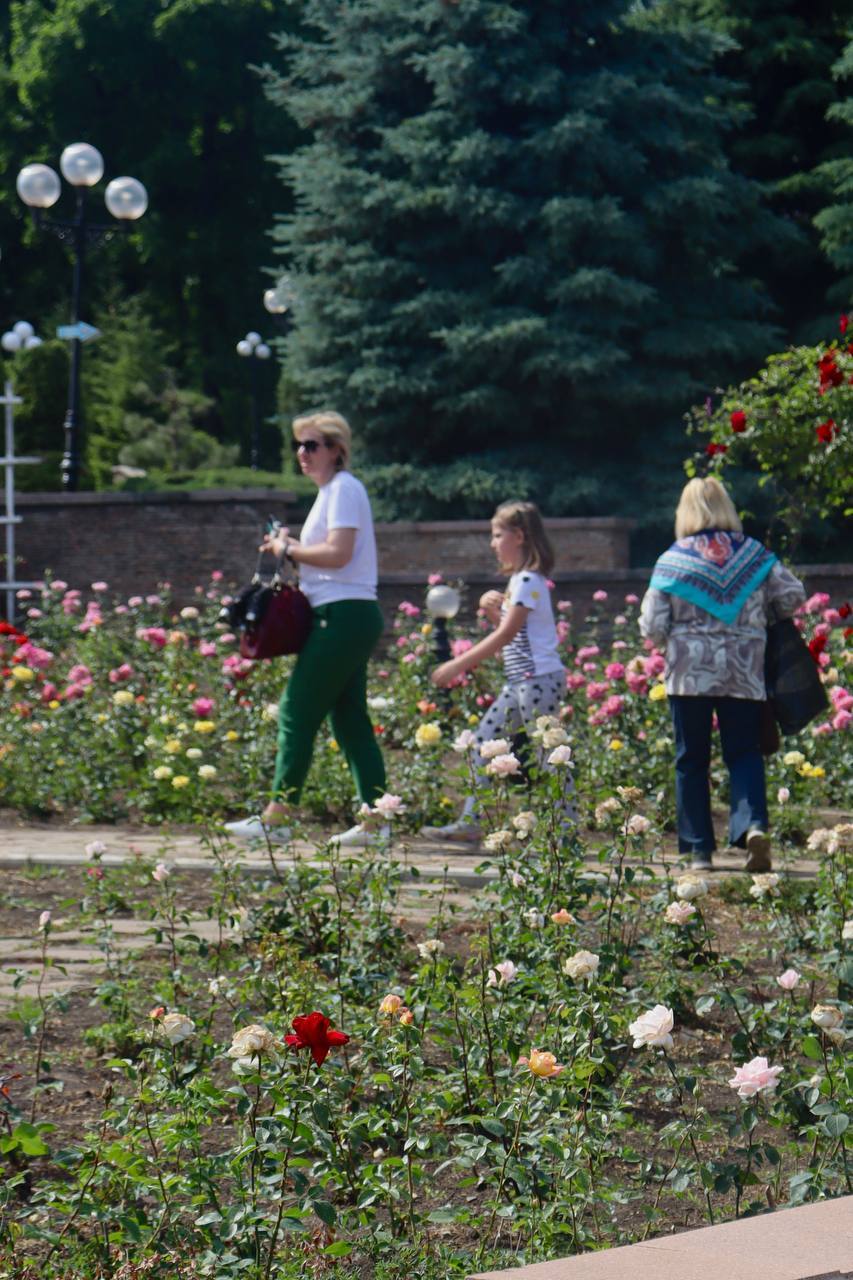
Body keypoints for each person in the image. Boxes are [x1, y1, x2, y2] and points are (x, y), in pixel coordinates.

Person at [225, 411, 387, 848]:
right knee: (350, 720)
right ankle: (376, 822)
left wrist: (288, 547)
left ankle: (277, 819)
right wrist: (293, 547)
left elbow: (338, 554)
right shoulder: (333, 492)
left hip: (343, 614)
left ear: (337, 450)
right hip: (343, 613)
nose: (302, 453)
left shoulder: (343, 489)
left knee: (296, 710)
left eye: (312, 445)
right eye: (298, 445)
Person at [639, 476, 805, 873]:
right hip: (744, 670)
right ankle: (753, 827)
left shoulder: (673, 559)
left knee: (690, 760)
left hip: (688, 673)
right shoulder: (755, 556)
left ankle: (698, 852)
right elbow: (793, 596)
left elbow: (652, 625)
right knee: (745, 753)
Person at [422, 500, 570, 842]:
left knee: (551, 757)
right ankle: (472, 819)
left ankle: (566, 832)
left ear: (518, 536)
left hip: (537, 681)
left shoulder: (529, 580)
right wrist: (494, 611)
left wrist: (457, 664)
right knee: (484, 744)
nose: (492, 542)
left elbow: (506, 635)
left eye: (497, 534)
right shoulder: (521, 581)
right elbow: (515, 637)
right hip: (522, 682)